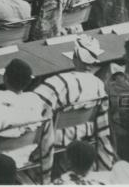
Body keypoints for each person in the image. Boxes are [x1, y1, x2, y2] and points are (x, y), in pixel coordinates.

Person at [32, 36, 117, 171]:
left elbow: (34, 104)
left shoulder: (60, 82)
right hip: (84, 131)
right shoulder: (99, 85)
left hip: (56, 136)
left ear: (74, 58)